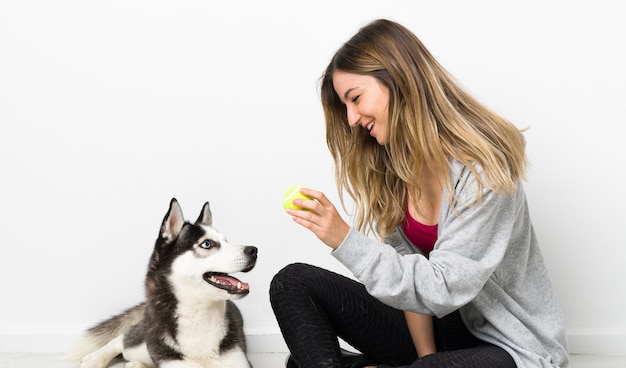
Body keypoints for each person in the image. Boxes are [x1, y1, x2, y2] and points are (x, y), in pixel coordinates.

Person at [269, 18, 569, 368]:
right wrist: (427, 356)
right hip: (441, 334)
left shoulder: (484, 166)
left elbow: (442, 287)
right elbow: (408, 280)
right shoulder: (396, 168)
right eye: (345, 107)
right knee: (292, 283)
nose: (350, 119)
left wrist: (344, 239)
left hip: (512, 345)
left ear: (397, 80)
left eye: (355, 98)